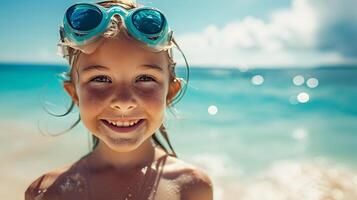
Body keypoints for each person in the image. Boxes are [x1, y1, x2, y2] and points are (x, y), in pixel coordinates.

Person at [25, 0, 213, 199]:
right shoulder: (48, 193)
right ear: (74, 93)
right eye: (101, 79)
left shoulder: (192, 187)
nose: (123, 101)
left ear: (170, 92)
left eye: (144, 78)